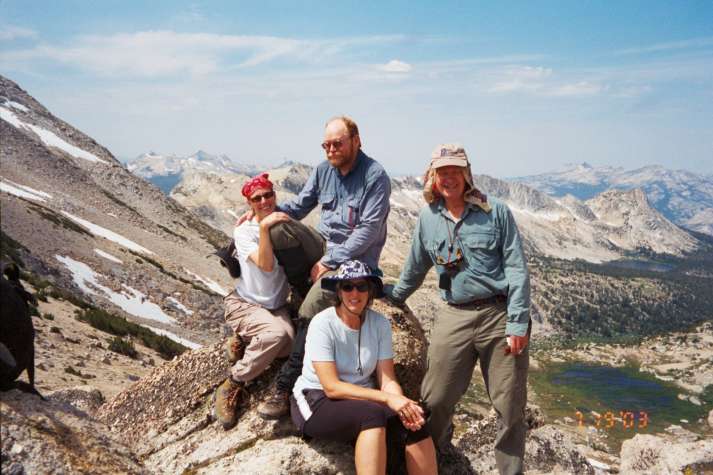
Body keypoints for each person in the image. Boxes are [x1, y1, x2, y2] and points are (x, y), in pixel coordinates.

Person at [384, 144, 530, 475]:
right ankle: (427, 462)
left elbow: (517, 269)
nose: (448, 178)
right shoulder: (427, 218)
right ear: (433, 177)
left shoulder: (496, 212)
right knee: (434, 398)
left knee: (509, 407)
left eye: (455, 171)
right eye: (442, 172)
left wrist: (518, 322)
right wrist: (391, 295)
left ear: (466, 175)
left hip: (499, 315)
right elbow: (415, 267)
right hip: (454, 316)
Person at [258, 115, 392, 418]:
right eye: (326, 145)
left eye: (337, 143)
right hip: (324, 248)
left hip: (355, 259)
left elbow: (368, 230)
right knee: (278, 229)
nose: (331, 149)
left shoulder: (375, 176)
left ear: (356, 141)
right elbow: (299, 206)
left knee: (315, 303)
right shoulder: (323, 171)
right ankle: (301, 291)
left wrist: (329, 262)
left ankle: (283, 386)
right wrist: (263, 212)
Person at [291, 260, 438, 475]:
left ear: (370, 292)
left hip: (360, 400)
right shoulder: (322, 324)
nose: (355, 293)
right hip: (316, 399)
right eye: (348, 286)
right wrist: (387, 399)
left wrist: (402, 403)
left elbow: (387, 379)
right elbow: (331, 387)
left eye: (362, 286)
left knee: (415, 418)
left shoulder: (379, 324)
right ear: (339, 291)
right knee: (371, 415)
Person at [214, 173, 301, 430]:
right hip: (247, 303)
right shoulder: (244, 231)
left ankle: (246, 339)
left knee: (288, 346)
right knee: (275, 336)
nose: (264, 201)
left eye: (268, 195)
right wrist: (264, 227)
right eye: (257, 198)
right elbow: (265, 264)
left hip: (275, 306)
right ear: (249, 204)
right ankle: (233, 383)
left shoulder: (285, 223)